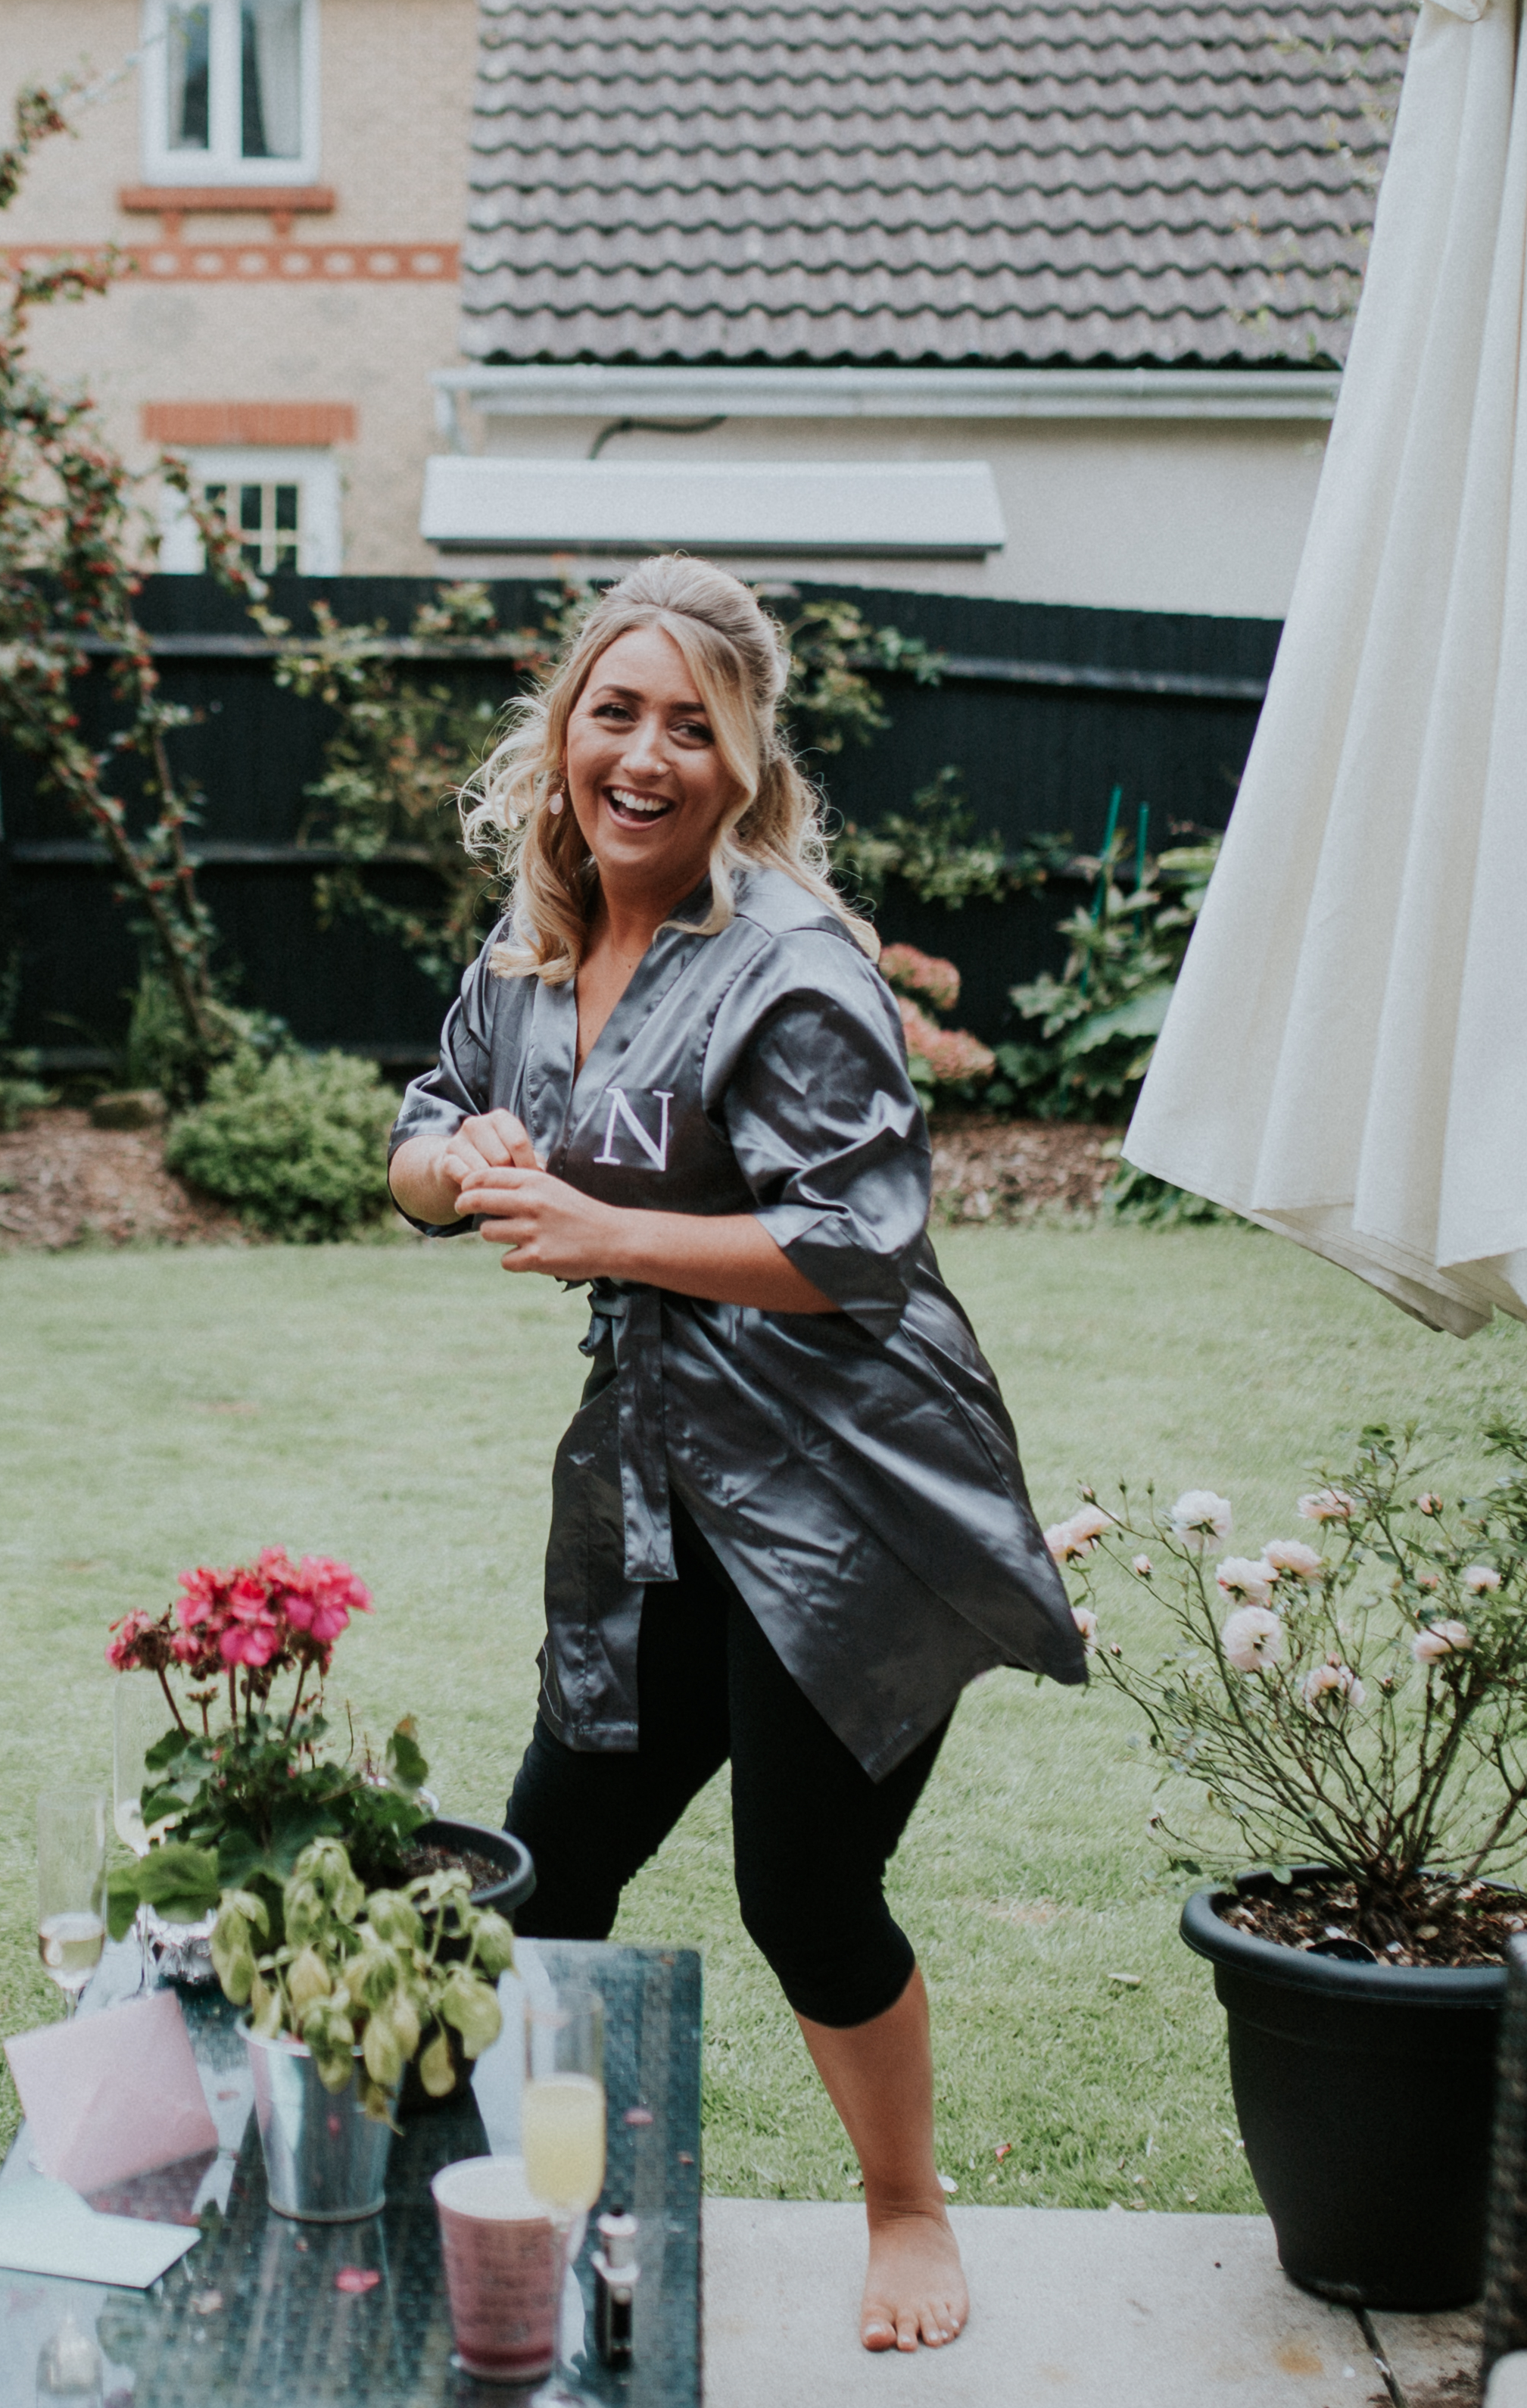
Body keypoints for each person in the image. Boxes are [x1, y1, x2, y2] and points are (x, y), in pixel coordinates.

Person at [387, 554, 1088, 2357]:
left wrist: (602, 1232)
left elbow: (857, 1244)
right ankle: (523, 2186)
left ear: (745, 762)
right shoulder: (536, 942)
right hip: (653, 1482)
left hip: (850, 1491)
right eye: (614, 711)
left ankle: (909, 2205)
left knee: (803, 1885)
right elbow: (422, 1120)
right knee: (550, 1856)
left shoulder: (787, 960)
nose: (644, 753)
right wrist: (455, 1171)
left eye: (690, 724)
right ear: (563, 734)